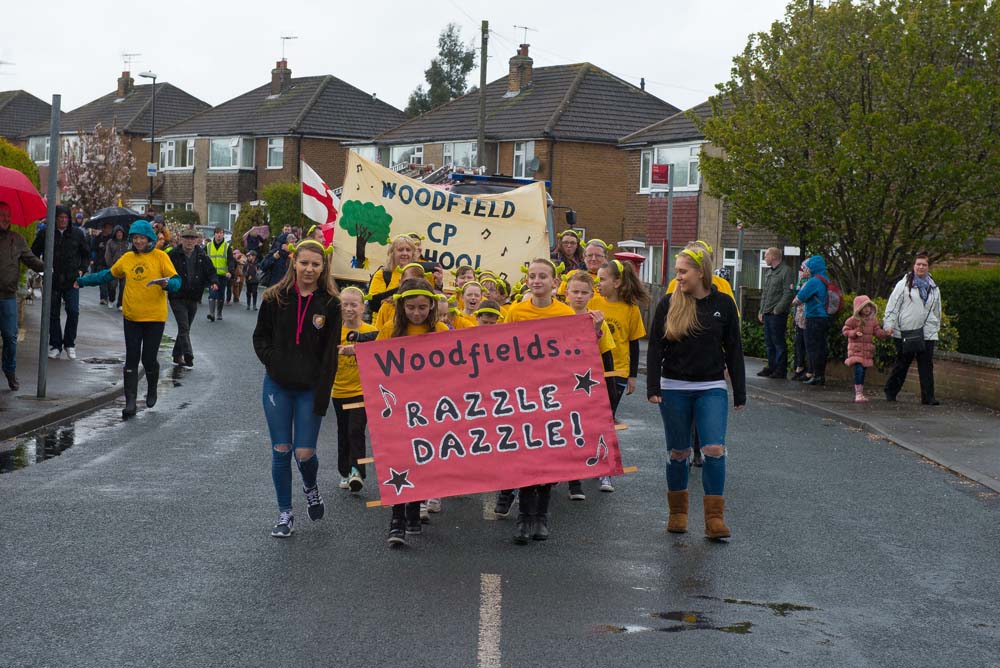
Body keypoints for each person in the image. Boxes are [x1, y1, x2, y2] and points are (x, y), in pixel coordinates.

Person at [647, 242, 745, 540]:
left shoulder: (724, 304)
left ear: (701, 272)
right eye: (677, 271)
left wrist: (739, 391)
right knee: (679, 452)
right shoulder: (668, 303)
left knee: (714, 448)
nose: (678, 277)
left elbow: (734, 349)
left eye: (683, 271)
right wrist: (653, 386)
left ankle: (715, 519)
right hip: (673, 387)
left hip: (711, 387)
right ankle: (677, 513)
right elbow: (654, 347)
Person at [252, 239, 342, 538]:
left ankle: (310, 487)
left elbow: (330, 356)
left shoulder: (330, 304)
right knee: (281, 450)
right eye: (304, 263)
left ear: (322, 267)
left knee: (304, 454)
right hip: (277, 386)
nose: (309, 269)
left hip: (309, 389)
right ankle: (285, 513)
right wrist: (273, 361)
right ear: (294, 263)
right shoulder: (274, 297)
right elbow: (260, 337)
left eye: (315, 264)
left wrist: (322, 396)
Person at [76, 220, 180, 418]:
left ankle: (151, 388)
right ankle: (130, 401)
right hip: (132, 316)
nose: (139, 241)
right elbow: (108, 275)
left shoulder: (160, 257)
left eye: (142, 238)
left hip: (155, 317)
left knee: (148, 358)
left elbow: (177, 281)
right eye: (135, 238)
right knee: (132, 358)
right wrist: (82, 281)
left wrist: (168, 284)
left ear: (149, 238)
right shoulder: (127, 258)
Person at [506, 258, 576, 544]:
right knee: (525, 455)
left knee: (548, 455)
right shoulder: (515, 311)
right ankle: (524, 516)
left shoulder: (565, 312)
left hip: (553, 394)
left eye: (543, 276)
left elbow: (574, 351)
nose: (536, 281)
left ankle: (542, 515)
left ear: (554, 282)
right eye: (532, 276)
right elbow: (501, 349)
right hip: (522, 394)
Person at [376, 278, 450, 547]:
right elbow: (377, 369)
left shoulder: (441, 329)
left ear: (431, 305)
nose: (416, 313)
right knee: (399, 462)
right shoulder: (389, 331)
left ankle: (412, 511)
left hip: (429, 408)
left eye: (422, 307)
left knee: (421, 461)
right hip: (397, 409)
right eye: (410, 308)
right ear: (401, 307)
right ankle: (396, 520)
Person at [560, 270, 619, 504]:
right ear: (567, 293)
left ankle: (604, 471)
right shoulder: (558, 316)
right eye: (575, 292)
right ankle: (573, 477)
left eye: (585, 292)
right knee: (568, 429)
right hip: (563, 382)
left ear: (592, 294)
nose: (579, 297)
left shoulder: (596, 318)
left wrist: (610, 386)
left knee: (595, 428)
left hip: (589, 382)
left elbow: (606, 354)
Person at [332, 286, 377, 492]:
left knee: (356, 430)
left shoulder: (370, 331)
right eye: (345, 304)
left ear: (362, 307)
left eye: (354, 305)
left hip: (362, 390)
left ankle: (356, 471)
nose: (349, 309)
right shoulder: (333, 331)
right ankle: (345, 471)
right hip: (338, 390)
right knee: (343, 431)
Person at [31, 204, 90, 359]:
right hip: (53, 280)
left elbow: (86, 254)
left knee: (73, 311)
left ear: (69, 219)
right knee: (53, 313)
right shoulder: (46, 234)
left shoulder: (77, 234)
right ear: (55, 219)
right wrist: (41, 269)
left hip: (72, 280)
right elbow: (33, 253)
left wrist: (82, 270)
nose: (63, 220)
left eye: (65, 217)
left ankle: (70, 343)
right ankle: (55, 344)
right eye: (60, 218)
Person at [883, 251, 942, 405]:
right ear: (914, 266)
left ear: (928, 267)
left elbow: (937, 310)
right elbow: (892, 306)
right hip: (906, 331)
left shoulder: (934, 288)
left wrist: (936, 327)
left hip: (927, 332)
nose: (921, 267)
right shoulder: (903, 285)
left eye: (924, 265)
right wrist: (888, 325)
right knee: (902, 363)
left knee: (926, 365)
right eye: (918, 264)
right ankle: (890, 391)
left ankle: (928, 397)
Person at [0, 201, 45, 390]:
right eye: (2, 215)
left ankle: (10, 371)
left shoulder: (17, 239)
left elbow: (32, 260)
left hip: (8, 297)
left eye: (8, 215)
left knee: (10, 337)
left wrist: (48, 265)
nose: (6, 219)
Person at [167, 225, 219, 367]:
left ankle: (177, 355)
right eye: (186, 238)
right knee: (183, 326)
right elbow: (163, 270)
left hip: (194, 296)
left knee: (186, 327)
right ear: (181, 239)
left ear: (197, 240)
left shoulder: (202, 256)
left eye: (192, 238)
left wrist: (214, 282)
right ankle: (188, 354)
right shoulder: (172, 255)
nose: (189, 241)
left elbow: (211, 272)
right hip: (177, 296)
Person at [842, 296, 892, 403]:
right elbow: (845, 330)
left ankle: (860, 392)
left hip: (867, 352)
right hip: (856, 350)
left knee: (863, 371)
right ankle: (858, 394)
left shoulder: (872, 321)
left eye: (869, 306)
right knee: (858, 370)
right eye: (864, 307)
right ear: (858, 308)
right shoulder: (853, 320)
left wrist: (886, 333)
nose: (867, 309)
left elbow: (877, 332)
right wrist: (854, 333)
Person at [791, 255, 831, 386]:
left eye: (807, 267)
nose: (805, 270)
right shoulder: (825, 279)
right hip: (825, 317)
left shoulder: (814, 281)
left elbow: (799, 298)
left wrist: (794, 300)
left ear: (812, 267)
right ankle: (820, 374)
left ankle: (815, 374)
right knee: (821, 346)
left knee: (812, 347)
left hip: (814, 317)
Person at [757, 247, 796, 379]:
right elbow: (765, 293)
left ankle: (780, 370)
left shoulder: (786, 271)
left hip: (777, 314)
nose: (765, 259)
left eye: (766, 256)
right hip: (767, 312)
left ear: (773, 257)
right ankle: (771, 366)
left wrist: (777, 309)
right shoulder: (769, 273)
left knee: (778, 342)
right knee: (769, 342)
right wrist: (761, 310)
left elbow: (788, 293)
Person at [367, 235, 417, 314]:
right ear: (392, 253)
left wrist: (438, 284)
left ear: (413, 254)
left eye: (408, 250)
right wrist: (403, 287)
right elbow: (373, 304)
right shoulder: (383, 273)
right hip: (382, 324)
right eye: (400, 250)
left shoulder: (417, 274)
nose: (405, 253)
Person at [205, 227, 234, 321]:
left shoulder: (227, 246)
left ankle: (219, 312)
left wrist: (230, 271)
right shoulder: (208, 246)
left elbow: (230, 261)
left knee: (221, 295)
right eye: (217, 233)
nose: (219, 235)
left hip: (222, 275)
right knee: (212, 293)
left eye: (221, 233)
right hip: (212, 275)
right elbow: (202, 258)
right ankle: (211, 314)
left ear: (223, 235)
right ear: (214, 234)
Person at [791, 264, 809, 380]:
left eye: (804, 268)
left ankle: (804, 368)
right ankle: (799, 366)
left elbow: (799, 298)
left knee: (805, 343)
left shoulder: (810, 282)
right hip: (799, 316)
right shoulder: (801, 281)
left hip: (805, 316)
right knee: (799, 342)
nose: (802, 271)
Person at [91, 222, 114, 305]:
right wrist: (98, 246)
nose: (109, 230)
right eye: (108, 228)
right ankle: (103, 298)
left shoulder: (112, 238)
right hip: (100, 261)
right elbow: (92, 247)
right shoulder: (98, 238)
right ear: (104, 228)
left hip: (110, 262)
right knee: (102, 280)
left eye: (110, 228)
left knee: (111, 282)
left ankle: (110, 296)